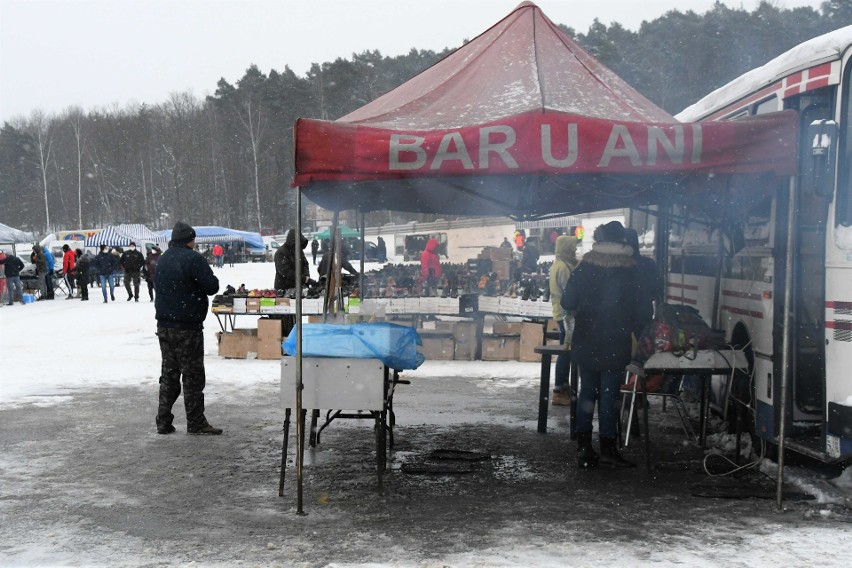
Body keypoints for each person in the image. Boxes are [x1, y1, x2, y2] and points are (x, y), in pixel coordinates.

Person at [561, 221, 650, 469]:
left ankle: (584, 447)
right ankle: (609, 448)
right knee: (610, 395)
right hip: (616, 339)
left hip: (587, 338)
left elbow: (567, 300)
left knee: (588, 392)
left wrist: (586, 308)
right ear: (622, 241)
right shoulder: (631, 269)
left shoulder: (584, 267)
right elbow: (643, 309)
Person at [154, 221, 221, 435]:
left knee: (169, 375)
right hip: (187, 326)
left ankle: (163, 420)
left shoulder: (163, 259)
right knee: (192, 376)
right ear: (190, 240)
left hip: (165, 325)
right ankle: (195, 421)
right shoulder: (193, 258)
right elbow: (211, 286)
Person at [549, 235, 579, 406]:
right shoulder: (563, 268)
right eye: (572, 247)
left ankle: (564, 387)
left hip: (562, 313)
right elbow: (571, 292)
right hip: (566, 315)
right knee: (566, 352)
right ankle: (559, 390)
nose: (575, 250)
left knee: (566, 350)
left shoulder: (561, 265)